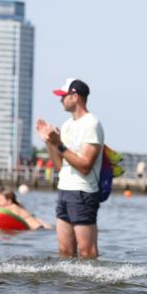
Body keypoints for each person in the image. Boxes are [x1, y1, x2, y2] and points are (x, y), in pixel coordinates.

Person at [36, 78, 104, 259]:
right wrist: (50, 143)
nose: (60, 100)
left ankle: (90, 287)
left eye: (63, 96)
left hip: (83, 191)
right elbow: (61, 167)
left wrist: (59, 144)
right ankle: (68, 287)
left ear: (75, 96)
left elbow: (85, 166)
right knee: (65, 251)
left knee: (87, 252)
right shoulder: (67, 125)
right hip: (64, 190)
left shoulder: (91, 123)